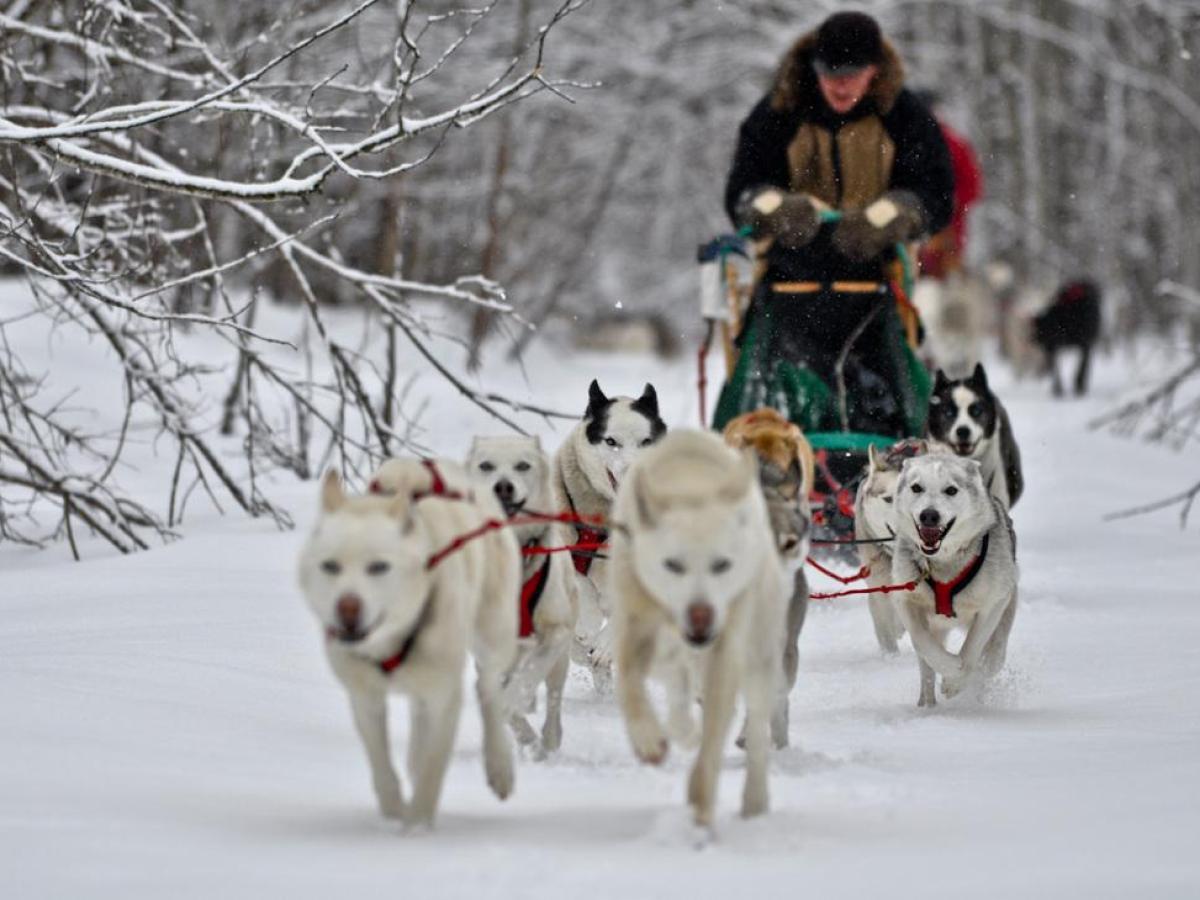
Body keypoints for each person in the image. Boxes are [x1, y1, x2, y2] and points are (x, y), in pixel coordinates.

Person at [713, 11, 954, 438]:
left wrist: (887, 216)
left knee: (896, 385)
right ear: (814, 68)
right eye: (830, 73)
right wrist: (778, 209)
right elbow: (744, 189)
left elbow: (935, 194)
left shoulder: (903, 114)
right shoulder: (780, 111)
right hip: (788, 281)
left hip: (877, 279)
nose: (840, 85)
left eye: (852, 73)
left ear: (874, 71)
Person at [913, 89, 984, 278]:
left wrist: (947, 203)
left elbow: (972, 186)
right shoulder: (905, 142)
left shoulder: (952, 143)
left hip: (946, 233)